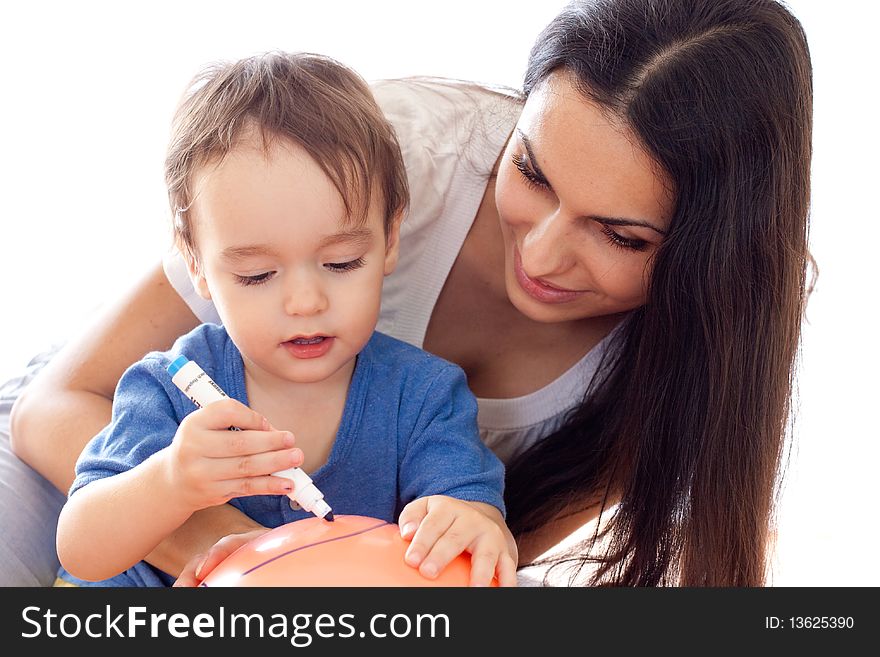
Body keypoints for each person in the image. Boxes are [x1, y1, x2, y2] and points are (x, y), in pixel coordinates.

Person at [7, 0, 812, 587]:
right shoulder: (362, 155)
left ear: (386, 237)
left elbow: (464, 561)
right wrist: (247, 557)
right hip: (66, 430)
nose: (540, 251)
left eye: (621, 236)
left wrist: (437, 544)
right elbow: (59, 422)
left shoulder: (433, 397)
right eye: (530, 170)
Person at [50, 52, 514, 587]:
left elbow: (471, 523)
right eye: (256, 275)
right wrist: (171, 480)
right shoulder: (167, 385)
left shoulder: (426, 396)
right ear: (196, 264)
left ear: (390, 238)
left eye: (341, 263)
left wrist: (472, 523)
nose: (305, 303)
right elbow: (82, 549)